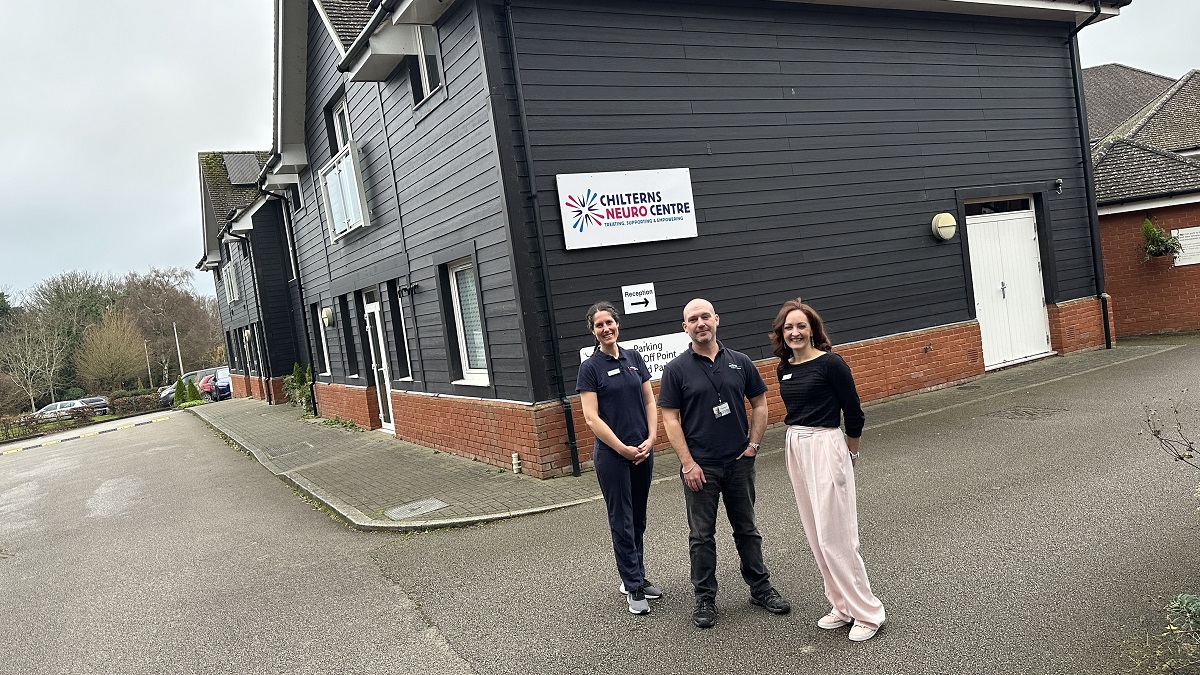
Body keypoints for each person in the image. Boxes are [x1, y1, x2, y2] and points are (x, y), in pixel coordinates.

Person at [658, 298, 791, 628]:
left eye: (705, 316)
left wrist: (754, 444)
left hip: (738, 463)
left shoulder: (740, 362)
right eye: (693, 319)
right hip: (700, 468)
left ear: (716, 320)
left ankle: (760, 588)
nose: (700, 323)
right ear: (684, 327)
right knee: (701, 536)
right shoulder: (675, 370)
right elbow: (670, 419)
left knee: (747, 529)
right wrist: (688, 463)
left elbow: (760, 404)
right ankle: (704, 597)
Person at [769, 298, 886, 642]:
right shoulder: (783, 367)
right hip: (796, 446)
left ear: (813, 329)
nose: (795, 332)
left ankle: (868, 613)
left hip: (826, 445)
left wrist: (851, 454)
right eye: (788, 327)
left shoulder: (831, 364)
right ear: (781, 333)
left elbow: (854, 411)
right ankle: (842, 605)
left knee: (837, 535)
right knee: (817, 535)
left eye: (801, 326)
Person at [577, 301, 660, 615]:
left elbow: (650, 401)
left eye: (609, 322)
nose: (606, 329)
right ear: (594, 331)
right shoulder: (590, 367)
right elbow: (591, 418)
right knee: (622, 521)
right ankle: (633, 586)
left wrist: (651, 439)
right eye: (599, 325)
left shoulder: (634, 358)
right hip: (613, 457)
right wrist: (623, 448)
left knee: (638, 518)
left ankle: (635, 575)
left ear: (617, 324)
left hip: (643, 451)